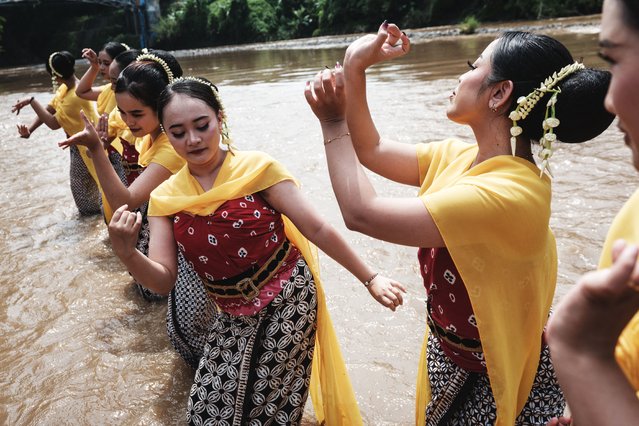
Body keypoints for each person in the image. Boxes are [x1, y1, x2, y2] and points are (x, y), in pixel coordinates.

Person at [305, 25, 615, 425]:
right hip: (451, 351)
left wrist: (333, 123)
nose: (461, 75)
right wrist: (355, 66)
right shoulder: (459, 157)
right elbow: (372, 149)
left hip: (490, 374)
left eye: (474, 66)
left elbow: (361, 213)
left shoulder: (508, 194)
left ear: (499, 93)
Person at [107, 77, 407, 425]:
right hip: (230, 310)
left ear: (220, 117)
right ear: (164, 132)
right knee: (204, 411)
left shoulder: (257, 169)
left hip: (287, 297)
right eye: (177, 132)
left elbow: (317, 228)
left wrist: (370, 278)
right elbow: (163, 281)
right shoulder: (165, 198)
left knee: (267, 410)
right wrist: (127, 252)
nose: (192, 140)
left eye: (202, 125)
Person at [546, 0, 639, 424]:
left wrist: (581, 353)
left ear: (500, 93)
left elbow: (362, 212)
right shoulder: (633, 213)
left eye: (613, 59)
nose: (609, 102)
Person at [12, 50, 101, 216]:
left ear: (55, 75)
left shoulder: (74, 96)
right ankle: (96, 217)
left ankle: (95, 220)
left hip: (88, 146)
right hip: (78, 145)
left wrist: (31, 101)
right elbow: (50, 110)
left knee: (83, 190)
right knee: (89, 185)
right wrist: (29, 130)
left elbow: (53, 123)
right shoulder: (64, 89)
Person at [76, 41, 129, 116]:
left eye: (106, 63)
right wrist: (94, 66)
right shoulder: (108, 89)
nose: (101, 67)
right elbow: (81, 92)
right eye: (99, 62)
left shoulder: (128, 91)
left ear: (118, 64)